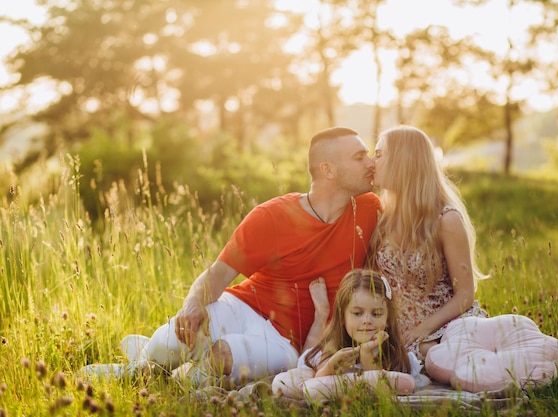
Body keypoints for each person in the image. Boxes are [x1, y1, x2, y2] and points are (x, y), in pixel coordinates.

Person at [79, 126, 381, 386]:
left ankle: (182, 371)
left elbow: (412, 200)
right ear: (328, 170)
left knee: (221, 357)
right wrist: (192, 306)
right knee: (174, 340)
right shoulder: (272, 216)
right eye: (360, 157)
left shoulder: (370, 209)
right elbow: (218, 274)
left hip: (285, 342)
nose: (371, 163)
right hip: (242, 306)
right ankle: (142, 367)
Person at [369, 125, 489, 361]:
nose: (372, 162)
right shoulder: (380, 216)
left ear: (403, 162)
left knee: (432, 353)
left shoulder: (446, 219)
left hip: (444, 326)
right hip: (397, 332)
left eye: (380, 154)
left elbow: (465, 294)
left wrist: (423, 330)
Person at [272, 269, 429, 402]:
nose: (367, 321)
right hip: (326, 381)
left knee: (400, 382)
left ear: (388, 319)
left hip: (348, 387)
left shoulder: (394, 353)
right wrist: (331, 367)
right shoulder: (331, 347)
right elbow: (320, 377)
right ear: (342, 317)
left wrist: (367, 356)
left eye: (376, 314)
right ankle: (320, 316)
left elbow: (380, 385)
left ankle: (331, 391)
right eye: (357, 313)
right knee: (284, 382)